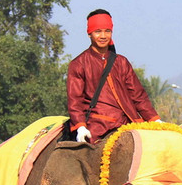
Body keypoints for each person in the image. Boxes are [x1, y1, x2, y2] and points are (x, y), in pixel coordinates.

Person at [66, 9, 160, 144]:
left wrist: (154, 119)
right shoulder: (78, 64)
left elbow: (138, 96)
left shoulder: (121, 62)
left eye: (107, 31)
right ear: (89, 34)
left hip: (128, 123)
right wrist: (81, 127)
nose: (103, 36)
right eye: (98, 31)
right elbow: (75, 101)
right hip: (97, 127)